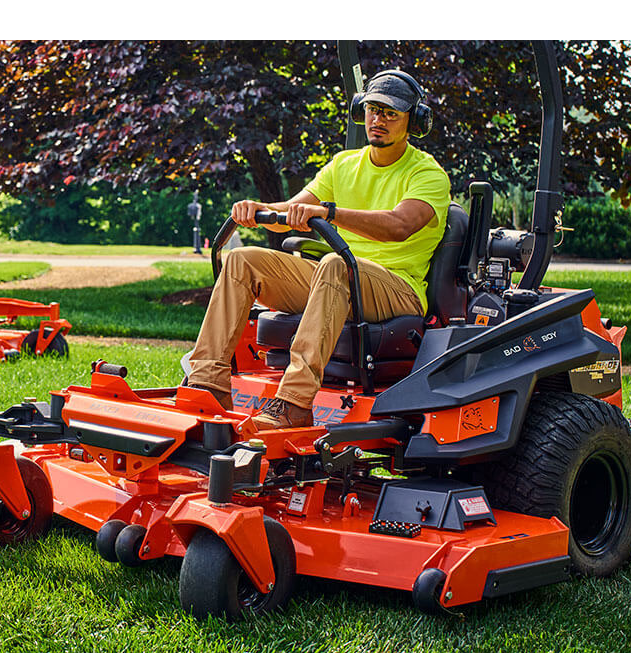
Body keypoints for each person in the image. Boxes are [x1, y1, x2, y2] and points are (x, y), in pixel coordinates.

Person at [187, 70, 451, 431]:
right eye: (374, 110)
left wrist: (330, 212)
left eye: (391, 113)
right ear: (362, 112)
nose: (379, 120)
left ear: (414, 121)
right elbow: (291, 214)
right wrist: (257, 209)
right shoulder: (344, 165)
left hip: (398, 289)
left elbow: (399, 225)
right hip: (341, 277)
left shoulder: (427, 174)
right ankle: (208, 385)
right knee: (241, 259)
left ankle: (294, 404)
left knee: (334, 262)